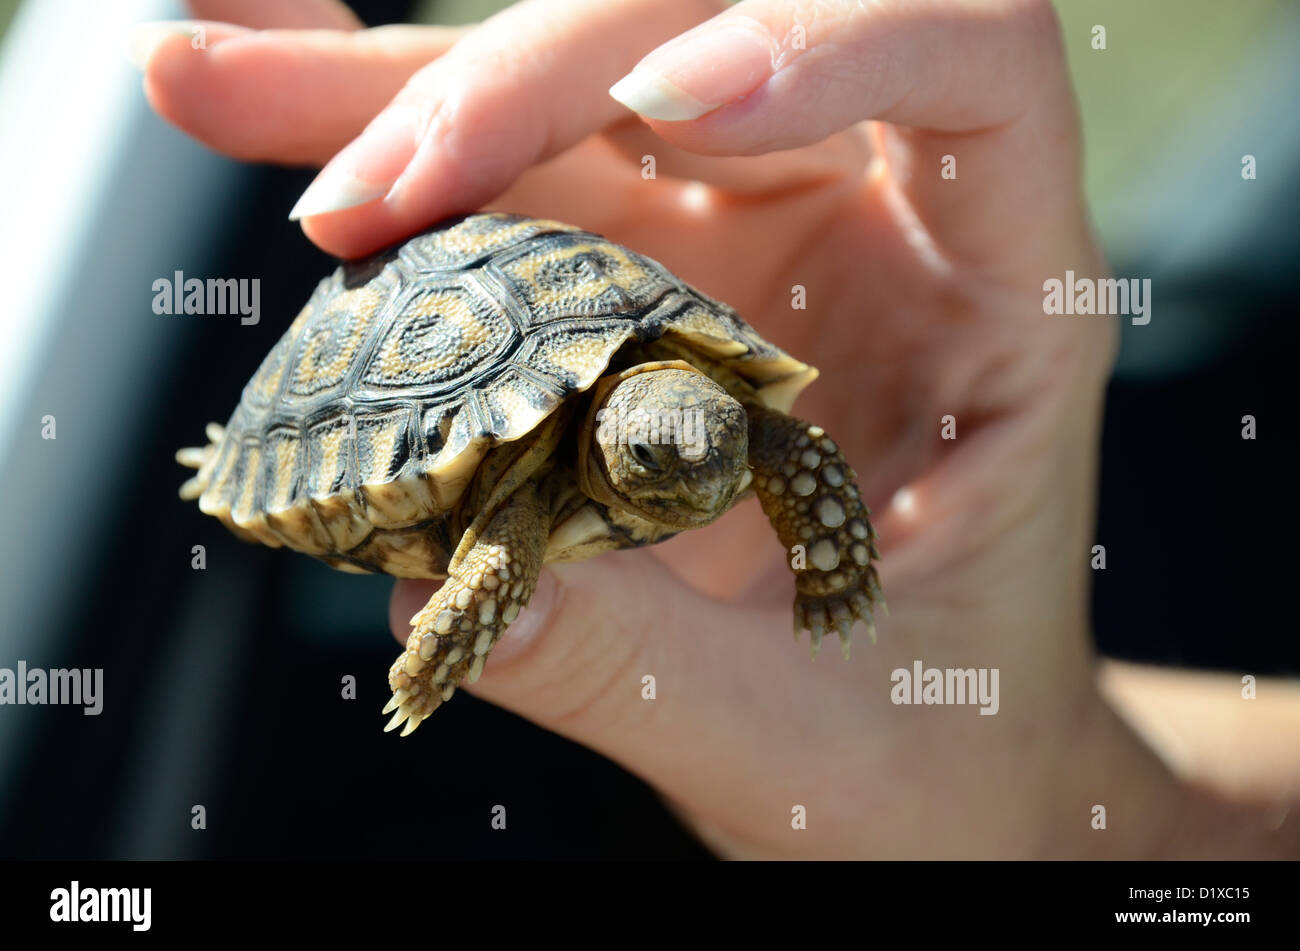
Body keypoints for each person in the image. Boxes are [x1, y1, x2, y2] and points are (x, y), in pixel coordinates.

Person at [132, 0, 1299, 858]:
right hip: (428, 372)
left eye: (719, 449)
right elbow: (509, 530)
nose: (699, 473)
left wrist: (1061, 812)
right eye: (658, 458)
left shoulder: (733, 437)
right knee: (502, 558)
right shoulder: (539, 474)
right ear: (607, 444)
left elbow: (775, 448)